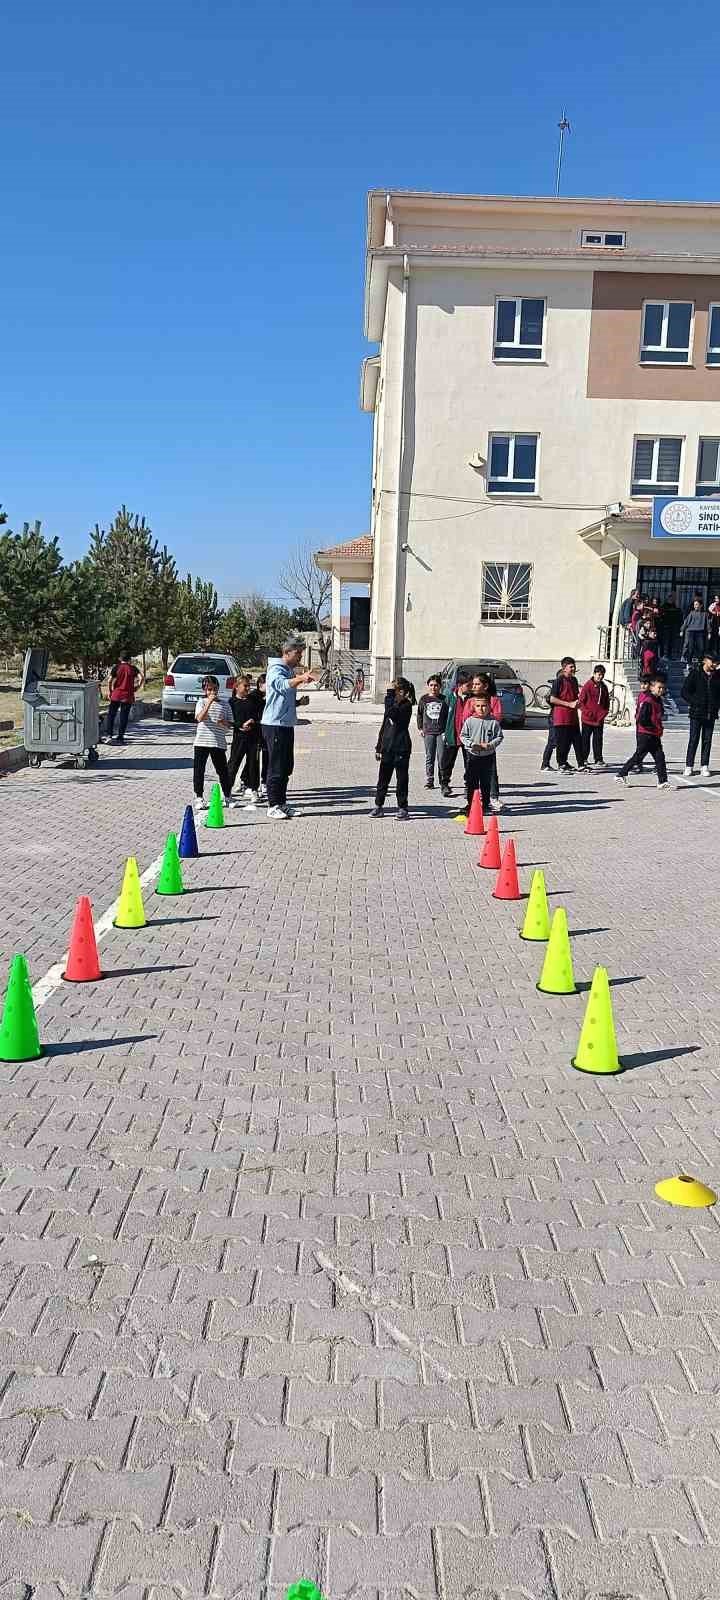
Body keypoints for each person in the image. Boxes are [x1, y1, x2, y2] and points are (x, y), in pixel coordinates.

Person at [261, 636, 315, 820]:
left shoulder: (288, 670)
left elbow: (282, 699)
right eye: (297, 653)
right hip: (274, 725)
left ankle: (282, 803)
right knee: (275, 767)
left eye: (301, 653)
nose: (300, 656)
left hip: (285, 724)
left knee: (285, 767)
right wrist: (301, 678)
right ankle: (272, 805)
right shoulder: (276, 669)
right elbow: (281, 686)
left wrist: (298, 702)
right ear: (286, 653)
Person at [614, 675, 668, 788]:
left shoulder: (658, 700)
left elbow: (660, 714)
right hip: (646, 734)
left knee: (660, 757)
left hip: (654, 734)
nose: (661, 690)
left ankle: (662, 782)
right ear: (652, 688)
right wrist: (653, 727)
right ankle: (621, 774)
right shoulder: (648, 701)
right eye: (659, 688)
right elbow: (642, 719)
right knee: (638, 756)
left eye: (663, 688)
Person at [193, 675, 236, 812]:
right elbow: (199, 718)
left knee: (222, 770)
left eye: (214, 689)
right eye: (208, 689)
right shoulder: (201, 702)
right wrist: (209, 703)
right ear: (204, 690)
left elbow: (230, 723)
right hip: (202, 741)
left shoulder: (225, 704)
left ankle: (227, 796)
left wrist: (224, 722)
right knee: (199, 770)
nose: (211, 692)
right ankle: (199, 797)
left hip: (218, 742)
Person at [373, 677, 413, 819]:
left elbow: (394, 715)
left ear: (401, 691)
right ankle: (379, 805)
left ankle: (403, 807)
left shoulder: (406, 705)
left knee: (401, 779)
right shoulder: (391, 703)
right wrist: (379, 747)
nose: (390, 693)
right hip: (387, 747)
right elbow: (384, 726)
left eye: (393, 689)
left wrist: (394, 699)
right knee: (383, 778)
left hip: (401, 747)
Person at [460, 692, 503, 815]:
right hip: (473, 755)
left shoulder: (493, 722)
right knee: (471, 781)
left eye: (484, 706)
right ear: (474, 707)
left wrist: (490, 745)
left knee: (486, 782)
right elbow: (463, 736)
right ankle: (470, 804)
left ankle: (485, 804)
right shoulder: (470, 721)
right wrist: (471, 744)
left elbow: (499, 737)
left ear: (489, 707)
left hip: (487, 756)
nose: (481, 708)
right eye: (478, 706)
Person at [680, 653, 720, 777]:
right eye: (712, 661)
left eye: (716, 662)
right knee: (693, 739)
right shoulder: (695, 674)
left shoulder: (718, 676)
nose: (714, 664)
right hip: (696, 713)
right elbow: (684, 692)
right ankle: (689, 765)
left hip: (710, 713)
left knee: (707, 740)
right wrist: (695, 702)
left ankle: (704, 766)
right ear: (705, 661)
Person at [228, 674, 263, 801]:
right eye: (245, 686)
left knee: (253, 764)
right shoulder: (232, 702)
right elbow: (229, 721)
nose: (248, 689)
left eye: (249, 686)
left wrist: (252, 721)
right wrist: (240, 726)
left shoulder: (253, 700)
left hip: (253, 737)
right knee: (234, 763)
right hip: (239, 737)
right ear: (237, 687)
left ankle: (253, 789)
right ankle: (226, 789)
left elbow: (259, 715)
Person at [549, 657, 586, 773]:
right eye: (571, 667)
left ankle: (581, 764)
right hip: (561, 717)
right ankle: (561, 764)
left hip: (573, 717)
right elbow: (552, 699)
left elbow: (575, 697)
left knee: (577, 741)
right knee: (562, 743)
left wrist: (579, 704)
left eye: (574, 666)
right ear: (564, 668)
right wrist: (568, 704)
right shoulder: (558, 681)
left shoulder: (574, 680)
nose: (573, 668)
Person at [474, 672, 504, 812]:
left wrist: (485, 719)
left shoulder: (494, 700)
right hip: (473, 743)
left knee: (491, 770)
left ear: (485, 686)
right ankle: (473, 797)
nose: (474, 686)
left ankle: (493, 797)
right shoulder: (471, 700)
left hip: (488, 742)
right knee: (473, 771)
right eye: (473, 684)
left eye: (477, 684)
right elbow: (466, 716)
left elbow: (497, 717)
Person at [439, 670, 472, 796]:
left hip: (467, 738)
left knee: (469, 763)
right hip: (452, 735)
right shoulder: (449, 698)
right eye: (467, 685)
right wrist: (443, 733)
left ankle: (468, 785)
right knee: (447, 762)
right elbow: (442, 716)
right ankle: (445, 784)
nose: (470, 688)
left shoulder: (471, 699)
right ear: (459, 685)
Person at [102, 651, 144, 744]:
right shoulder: (133, 668)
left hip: (116, 695)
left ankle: (109, 735)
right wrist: (137, 687)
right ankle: (120, 737)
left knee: (111, 715)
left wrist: (110, 691)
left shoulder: (116, 667)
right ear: (130, 659)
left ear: (120, 659)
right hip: (127, 696)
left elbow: (109, 681)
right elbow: (141, 677)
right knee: (124, 717)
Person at [416, 674, 448, 789]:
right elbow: (419, 714)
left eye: (436, 685)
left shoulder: (444, 699)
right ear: (428, 686)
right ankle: (429, 780)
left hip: (441, 732)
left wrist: (446, 731)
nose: (433, 688)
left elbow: (447, 716)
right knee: (429, 756)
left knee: (442, 757)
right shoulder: (424, 699)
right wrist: (420, 728)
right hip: (428, 732)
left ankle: (443, 780)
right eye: (431, 685)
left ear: (440, 686)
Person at [578, 664, 610, 768]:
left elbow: (606, 702)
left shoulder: (604, 687)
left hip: (599, 719)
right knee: (585, 739)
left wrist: (604, 713)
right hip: (587, 719)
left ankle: (598, 759)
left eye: (602, 675)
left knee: (598, 739)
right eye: (598, 674)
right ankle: (583, 758)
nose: (600, 677)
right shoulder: (587, 686)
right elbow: (581, 702)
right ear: (594, 674)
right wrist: (587, 713)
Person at [680, 595, 707, 664]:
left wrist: (709, 632)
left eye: (697, 604)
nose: (695, 606)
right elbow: (686, 621)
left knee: (701, 648)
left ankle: (700, 662)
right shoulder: (691, 613)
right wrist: (682, 630)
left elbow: (707, 623)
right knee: (690, 648)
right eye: (694, 605)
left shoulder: (704, 614)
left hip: (700, 632)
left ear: (701, 605)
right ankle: (689, 663)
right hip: (691, 631)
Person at [658, 591, 682, 660]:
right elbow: (662, 616)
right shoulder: (664, 606)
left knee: (672, 642)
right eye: (671, 597)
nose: (673, 598)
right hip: (666, 627)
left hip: (673, 627)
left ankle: (669, 655)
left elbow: (678, 616)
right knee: (666, 641)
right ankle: (664, 655)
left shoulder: (675, 606)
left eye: (674, 597)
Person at [255, 673, 268, 797]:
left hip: (267, 730)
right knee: (253, 758)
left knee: (267, 757)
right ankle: (246, 781)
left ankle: (264, 782)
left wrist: (298, 703)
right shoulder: (254, 696)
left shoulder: (271, 696)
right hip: (256, 731)